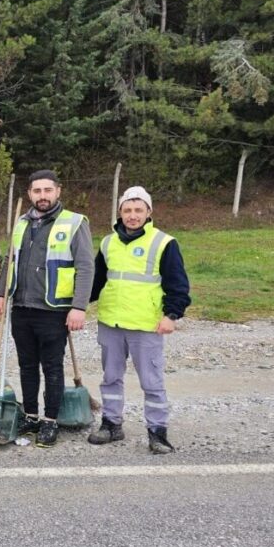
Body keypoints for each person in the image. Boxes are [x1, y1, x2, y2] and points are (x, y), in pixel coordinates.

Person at [0, 170, 94, 448]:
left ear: (58, 191)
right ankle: (30, 416)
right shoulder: (21, 223)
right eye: (37, 191)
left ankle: (50, 421)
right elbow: (10, 259)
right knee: (27, 365)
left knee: (52, 367)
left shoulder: (74, 223)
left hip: (54, 309)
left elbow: (86, 267)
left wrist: (79, 307)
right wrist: (2, 292)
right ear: (29, 194)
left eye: (47, 190)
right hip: (22, 307)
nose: (42, 196)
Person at [89, 186, 190, 453]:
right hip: (111, 322)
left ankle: (157, 432)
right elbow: (96, 281)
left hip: (146, 325)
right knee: (110, 377)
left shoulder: (164, 243)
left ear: (149, 212)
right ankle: (111, 424)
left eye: (138, 210)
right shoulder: (108, 242)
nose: (132, 216)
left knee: (151, 382)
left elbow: (178, 284)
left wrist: (172, 315)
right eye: (127, 210)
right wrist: (74, 305)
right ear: (120, 213)